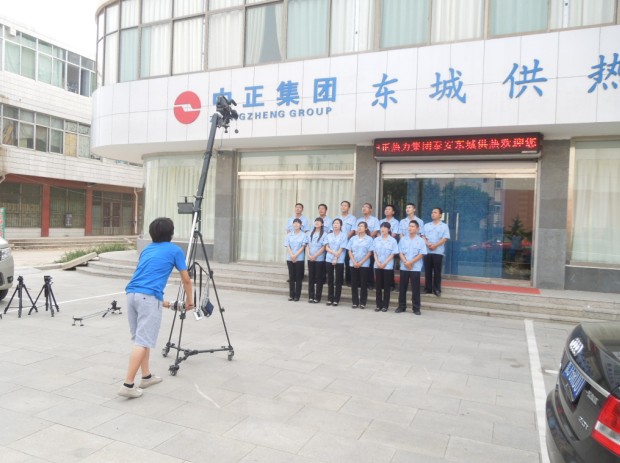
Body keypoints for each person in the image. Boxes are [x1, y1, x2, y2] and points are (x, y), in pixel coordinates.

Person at [120, 217, 194, 399]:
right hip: (148, 297)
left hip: (131, 294)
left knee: (141, 339)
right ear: (171, 233)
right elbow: (186, 279)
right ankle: (128, 385)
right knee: (142, 341)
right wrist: (190, 301)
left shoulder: (147, 249)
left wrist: (165, 303)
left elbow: (146, 278)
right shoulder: (175, 250)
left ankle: (146, 377)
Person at [397, 220, 427, 315]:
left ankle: (416, 308)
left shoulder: (421, 241)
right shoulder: (403, 239)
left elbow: (421, 254)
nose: (410, 228)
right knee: (402, 288)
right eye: (409, 226)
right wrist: (406, 262)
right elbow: (400, 252)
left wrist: (410, 262)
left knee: (415, 288)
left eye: (413, 226)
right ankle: (401, 306)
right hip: (404, 267)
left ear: (417, 229)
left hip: (415, 267)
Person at [423, 207, 450, 296]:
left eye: (435, 212)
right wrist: (427, 244)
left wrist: (435, 245)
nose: (433, 214)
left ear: (440, 215)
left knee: (437, 271)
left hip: (438, 252)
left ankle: (437, 289)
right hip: (427, 251)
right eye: (432, 212)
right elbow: (423, 236)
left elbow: (445, 238)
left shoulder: (444, 226)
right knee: (427, 271)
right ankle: (428, 288)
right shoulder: (427, 225)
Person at [373, 222, 399, 312]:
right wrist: (377, 262)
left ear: (389, 229)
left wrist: (384, 263)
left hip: (387, 266)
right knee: (378, 286)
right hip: (377, 265)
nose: (383, 229)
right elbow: (374, 252)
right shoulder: (376, 240)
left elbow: (393, 254)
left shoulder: (392, 240)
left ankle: (385, 305)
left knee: (386, 286)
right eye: (382, 227)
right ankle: (378, 305)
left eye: (385, 227)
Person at [347, 221, 374, 309]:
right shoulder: (353, 238)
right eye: (358, 226)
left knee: (363, 283)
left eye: (361, 226)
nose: (359, 227)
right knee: (354, 283)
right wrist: (354, 262)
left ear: (366, 228)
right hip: (353, 263)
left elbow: (369, 252)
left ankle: (363, 302)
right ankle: (355, 302)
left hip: (364, 264)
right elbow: (349, 250)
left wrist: (361, 262)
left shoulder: (369, 239)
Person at [356, 203, 380, 289]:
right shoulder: (359, 220)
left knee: (369, 264)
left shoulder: (375, 220)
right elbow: (356, 231)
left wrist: (367, 238)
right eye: (363, 206)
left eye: (366, 207)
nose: (364, 208)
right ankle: (359, 282)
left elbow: (376, 231)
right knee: (359, 262)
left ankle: (370, 283)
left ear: (371, 210)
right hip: (359, 244)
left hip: (370, 243)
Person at [324, 218, 347, 306]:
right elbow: (326, 247)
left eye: (337, 223)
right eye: (334, 223)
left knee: (338, 280)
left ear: (341, 225)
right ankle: (330, 298)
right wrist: (333, 254)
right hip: (329, 258)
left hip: (339, 259)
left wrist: (336, 258)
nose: (335, 224)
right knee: (330, 279)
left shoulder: (343, 235)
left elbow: (342, 247)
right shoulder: (328, 235)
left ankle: (336, 299)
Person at [284, 218, 308, 301]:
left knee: (298, 277)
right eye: (295, 223)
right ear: (292, 225)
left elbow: (303, 246)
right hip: (290, 258)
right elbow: (287, 246)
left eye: (298, 223)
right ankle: (291, 295)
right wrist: (292, 255)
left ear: (300, 225)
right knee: (291, 277)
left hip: (299, 258)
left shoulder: (304, 235)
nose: (296, 224)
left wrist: (295, 255)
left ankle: (297, 296)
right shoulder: (289, 235)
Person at [307, 217, 327, 303]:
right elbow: (307, 245)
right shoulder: (309, 233)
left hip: (319, 259)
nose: (317, 222)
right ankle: (311, 296)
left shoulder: (325, 234)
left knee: (319, 278)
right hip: (310, 258)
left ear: (322, 224)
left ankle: (317, 297)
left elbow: (324, 247)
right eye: (316, 221)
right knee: (311, 278)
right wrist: (309, 255)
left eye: (319, 221)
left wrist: (315, 255)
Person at [337, 200, 357, 286]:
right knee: (339, 262)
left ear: (348, 208)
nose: (343, 207)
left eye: (345, 205)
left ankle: (349, 280)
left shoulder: (353, 218)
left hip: (348, 244)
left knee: (348, 262)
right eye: (342, 205)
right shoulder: (337, 218)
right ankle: (339, 280)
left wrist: (344, 239)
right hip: (338, 244)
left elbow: (353, 230)